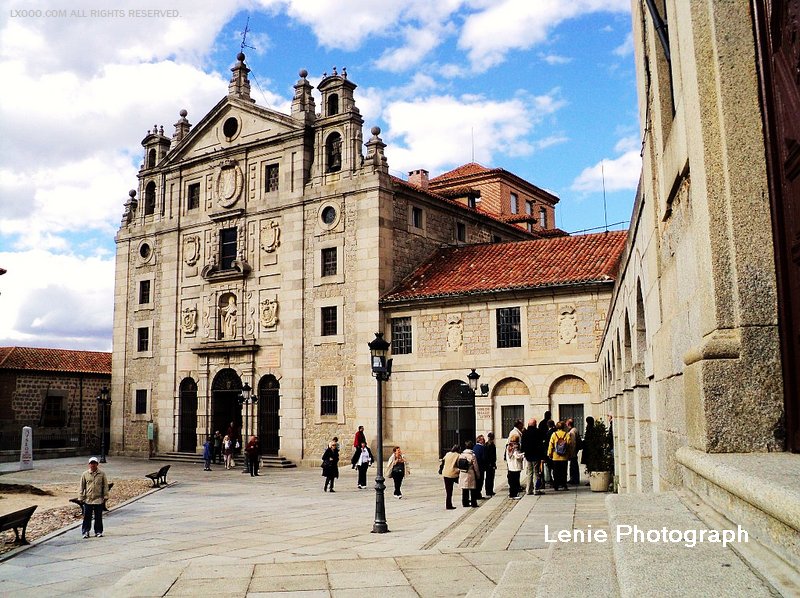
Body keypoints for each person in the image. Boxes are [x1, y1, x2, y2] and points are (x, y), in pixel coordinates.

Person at [79, 457, 109, 538]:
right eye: (91, 463)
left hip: (98, 499)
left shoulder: (102, 474)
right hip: (88, 499)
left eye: (94, 463)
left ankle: (98, 531)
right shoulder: (85, 474)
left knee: (98, 517)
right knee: (87, 517)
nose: (93, 465)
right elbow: (82, 486)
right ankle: (85, 531)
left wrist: (106, 495)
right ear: (89, 464)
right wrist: (81, 497)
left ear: (97, 464)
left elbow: (105, 486)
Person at [547, 421, 575, 491]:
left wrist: (549, 454)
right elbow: (570, 445)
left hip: (555, 456)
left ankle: (556, 485)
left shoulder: (554, 434)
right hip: (564, 456)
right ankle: (564, 484)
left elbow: (551, 445)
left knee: (556, 472)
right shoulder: (566, 434)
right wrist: (570, 454)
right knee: (563, 471)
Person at [458, 440, 481, 508]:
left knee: (464, 489)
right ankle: (474, 503)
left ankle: (465, 502)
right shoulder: (472, 455)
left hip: (463, 472)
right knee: (472, 489)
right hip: (470, 473)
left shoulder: (461, 455)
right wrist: (478, 474)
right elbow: (475, 466)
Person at [521, 418, 539, 495]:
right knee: (536, 472)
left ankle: (528, 489)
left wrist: (524, 452)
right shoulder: (537, 432)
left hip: (528, 455)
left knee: (529, 472)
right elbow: (540, 444)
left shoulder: (525, 433)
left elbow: (523, 444)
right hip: (536, 454)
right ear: (535, 424)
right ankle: (535, 489)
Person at [441, 445, 461, 509]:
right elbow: (459, 464)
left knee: (448, 491)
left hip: (446, 473)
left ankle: (448, 504)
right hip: (453, 473)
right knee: (463, 484)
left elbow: (443, 461)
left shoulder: (448, 454)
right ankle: (466, 499)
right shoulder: (458, 455)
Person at [566, 418, 581, 485]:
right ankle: (574, 478)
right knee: (573, 465)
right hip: (574, 451)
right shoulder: (574, 430)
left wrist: (571, 453)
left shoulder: (572, 431)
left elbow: (573, 443)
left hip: (573, 451)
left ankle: (574, 479)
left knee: (573, 465)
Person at [483, 432, 497, 497]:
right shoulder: (490, 445)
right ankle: (489, 491)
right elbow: (491, 456)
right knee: (490, 478)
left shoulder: (486, 445)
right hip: (490, 464)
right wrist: (492, 463)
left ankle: (489, 490)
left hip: (489, 463)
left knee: (489, 478)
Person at [473, 435, 486, 499]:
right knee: (480, 481)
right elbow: (483, 458)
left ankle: (475, 494)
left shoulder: (474, 447)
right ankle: (478, 494)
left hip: (475, 467)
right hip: (480, 467)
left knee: (476, 481)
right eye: (483, 440)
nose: (484, 441)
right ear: (480, 441)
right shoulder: (482, 448)